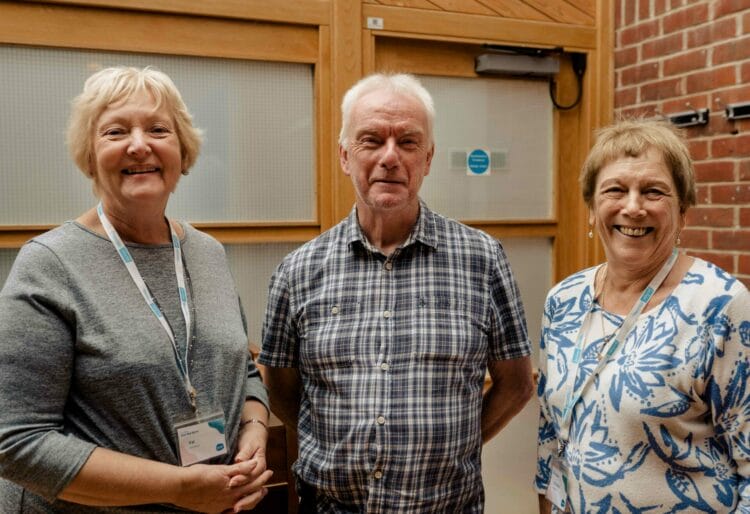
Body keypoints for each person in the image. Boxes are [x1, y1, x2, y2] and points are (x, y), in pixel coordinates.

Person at [0, 66, 273, 513]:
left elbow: (239, 367)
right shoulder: (50, 264)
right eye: (115, 131)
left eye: (158, 129)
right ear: (89, 155)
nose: (140, 144)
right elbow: (16, 441)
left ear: (183, 150)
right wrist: (179, 488)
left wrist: (254, 430)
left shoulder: (207, 253)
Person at [259, 73, 534, 513]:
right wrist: (331, 443)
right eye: (372, 140)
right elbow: (282, 388)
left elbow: (516, 385)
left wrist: (456, 445)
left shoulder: (483, 259)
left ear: (428, 158)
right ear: (345, 155)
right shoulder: (298, 271)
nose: (390, 157)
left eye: (408, 142)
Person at [535, 119, 750, 513]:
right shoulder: (563, 300)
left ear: (683, 212)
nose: (633, 207)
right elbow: (553, 433)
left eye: (654, 192)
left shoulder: (720, 306)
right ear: (591, 208)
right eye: (615, 190)